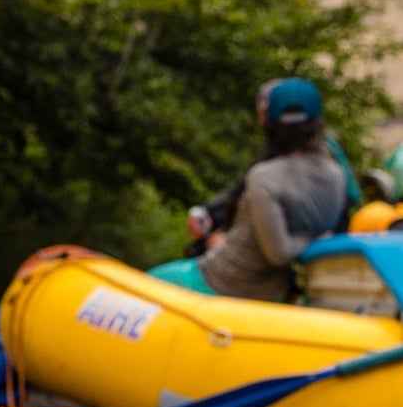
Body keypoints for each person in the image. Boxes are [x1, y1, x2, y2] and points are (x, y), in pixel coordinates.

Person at [150, 79, 347, 301]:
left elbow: (279, 253)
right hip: (272, 292)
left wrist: (312, 240)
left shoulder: (264, 176)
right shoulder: (337, 174)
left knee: (150, 281)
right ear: (318, 122)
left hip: (223, 283)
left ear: (269, 124)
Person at [182, 78, 359, 257]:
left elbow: (285, 240)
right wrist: (210, 214)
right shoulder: (280, 161)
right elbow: (240, 193)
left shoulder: (309, 163)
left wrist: (227, 240)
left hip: (281, 259)